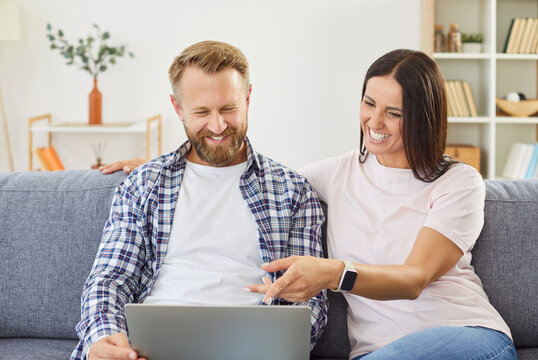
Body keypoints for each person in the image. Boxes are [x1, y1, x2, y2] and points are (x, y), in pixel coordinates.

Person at [103, 49, 517, 360]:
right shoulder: (331, 176)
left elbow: (413, 279)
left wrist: (334, 273)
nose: (374, 123)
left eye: (395, 113)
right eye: (369, 104)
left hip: (466, 335)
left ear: (424, 117)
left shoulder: (458, 181)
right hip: (375, 352)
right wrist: (170, 166)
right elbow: (251, 173)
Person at [72, 40, 328, 360]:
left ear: (248, 98)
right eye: (202, 112)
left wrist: (281, 347)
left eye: (229, 109)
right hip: (148, 353)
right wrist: (104, 339)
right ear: (178, 108)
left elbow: (309, 303)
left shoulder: (293, 193)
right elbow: (109, 281)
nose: (218, 126)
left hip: (249, 352)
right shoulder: (143, 185)